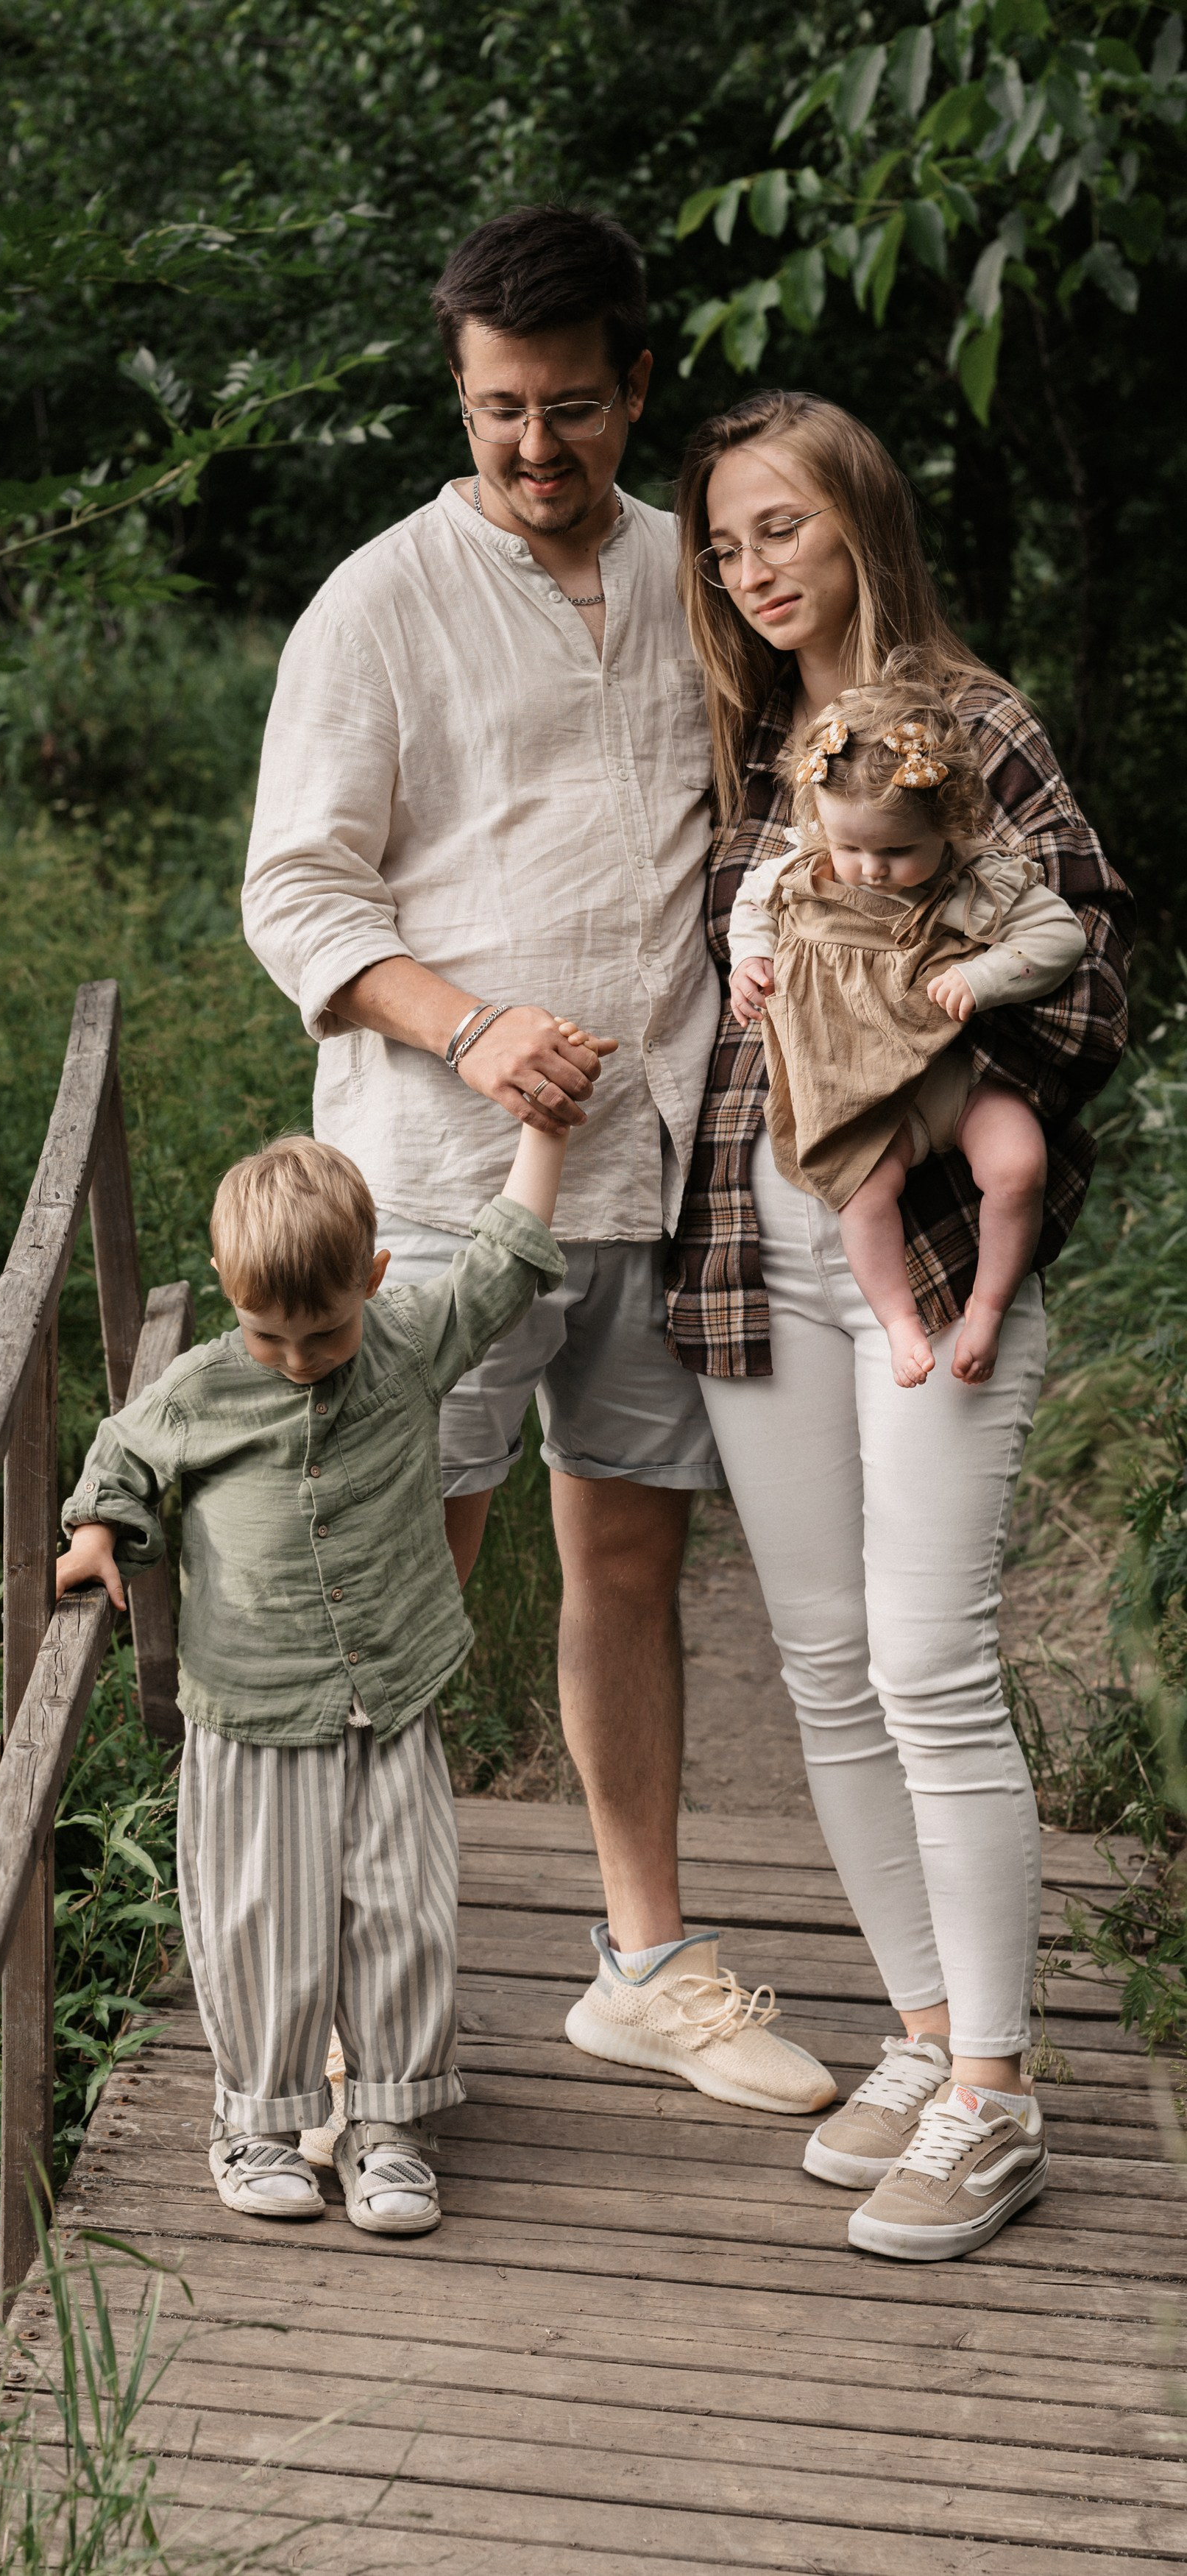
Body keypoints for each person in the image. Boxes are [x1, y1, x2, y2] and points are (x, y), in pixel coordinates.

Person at [244, 203, 835, 2120]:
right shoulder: (379, 600)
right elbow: (298, 891)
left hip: (657, 1168)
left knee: (632, 1560)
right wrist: (469, 1024)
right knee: (406, 1582)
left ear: (636, 387)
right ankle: (347, 2003)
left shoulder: (700, 578)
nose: (532, 448)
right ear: (459, 390)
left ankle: (643, 1965)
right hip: (438, 1184)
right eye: (500, 408)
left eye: (572, 408)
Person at [668, 389, 1133, 2259]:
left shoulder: (970, 722)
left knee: (930, 1660)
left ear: (858, 515)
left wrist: (947, 1012)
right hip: (761, 1245)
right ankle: (924, 2038)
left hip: (930, 1253)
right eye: (718, 543)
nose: (745, 568)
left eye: (774, 526)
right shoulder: (761, 742)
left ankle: (998, 2098)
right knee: (821, 1660)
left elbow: (1092, 963)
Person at [54, 1121, 571, 2237]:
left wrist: (545, 1132)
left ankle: (390, 2123)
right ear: (236, 1305)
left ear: (372, 1281)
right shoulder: (202, 1389)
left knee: (402, 1908)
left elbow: (506, 1258)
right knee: (262, 1919)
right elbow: (124, 1458)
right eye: (267, 1335)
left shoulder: (408, 1339)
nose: (295, 1358)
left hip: (392, 1691)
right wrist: (100, 1533)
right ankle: (261, 2120)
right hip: (252, 1705)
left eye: (322, 1334)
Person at [729, 676, 1087, 1390]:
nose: (870, 868)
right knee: (865, 1194)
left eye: (897, 850)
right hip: (866, 1097)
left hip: (955, 1083)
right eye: (850, 846)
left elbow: (1060, 936)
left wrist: (984, 977)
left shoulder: (972, 883)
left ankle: (985, 1309)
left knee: (1018, 1167)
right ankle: (897, 1319)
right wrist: (750, 958)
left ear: (949, 826)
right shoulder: (803, 873)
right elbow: (751, 900)